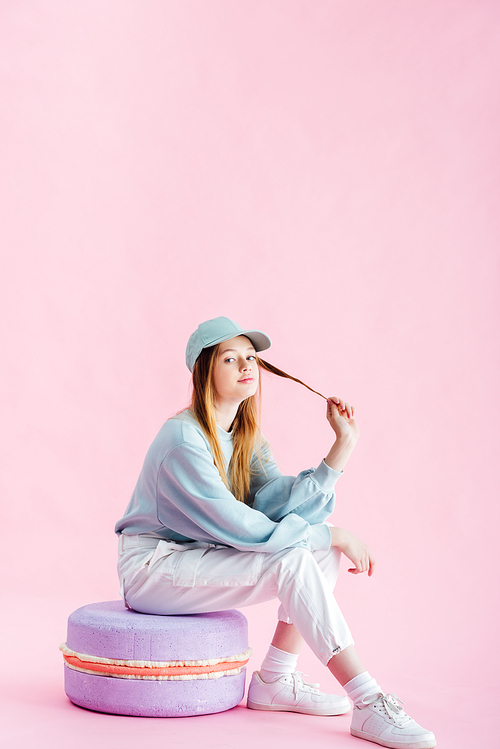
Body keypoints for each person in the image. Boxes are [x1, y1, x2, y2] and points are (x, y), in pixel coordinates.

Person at [115, 316, 436, 749]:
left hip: (199, 559)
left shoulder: (245, 436)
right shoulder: (183, 439)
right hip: (154, 568)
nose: (246, 365)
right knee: (302, 550)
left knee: (319, 550)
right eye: (231, 358)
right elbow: (238, 526)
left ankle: (275, 679)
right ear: (204, 371)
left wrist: (341, 448)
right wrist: (333, 533)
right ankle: (367, 699)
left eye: (250, 356)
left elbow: (278, 503)